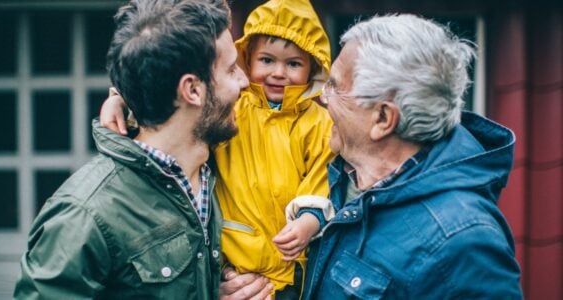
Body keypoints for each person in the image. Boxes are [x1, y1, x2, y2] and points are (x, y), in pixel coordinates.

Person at [224, 13, 523, 299]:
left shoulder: (463, 246)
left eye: (335, 87)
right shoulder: (339, 179)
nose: (322, 98)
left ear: (382, 118)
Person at [12, 0, 274, 298]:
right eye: (230, 70)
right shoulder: (84, 215)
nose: (244, 80)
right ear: (191, 90)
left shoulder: (217, 169)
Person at [101, 0, 335, 297]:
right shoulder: (235, 106)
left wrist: (309, 220)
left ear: (312, 66)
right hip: (232, 255)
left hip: (291, 261)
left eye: (293, 64)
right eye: (267, 60)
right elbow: (174, 110)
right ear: (249, 59)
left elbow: (322, 176)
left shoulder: (317, 123)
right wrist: (122, 99)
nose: (278, 73)